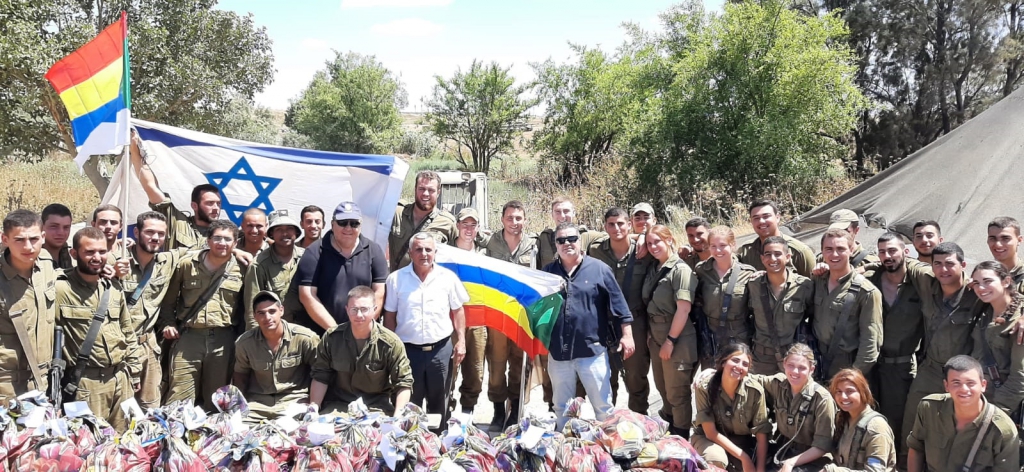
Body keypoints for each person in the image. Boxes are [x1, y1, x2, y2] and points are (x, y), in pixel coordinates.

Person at [543, 222, 634, 430]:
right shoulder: (548, 273)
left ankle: (610, 449)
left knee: (603, 406)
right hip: (559, 353)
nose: (567, 244)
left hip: (592, 351)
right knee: (561, 407)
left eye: (572, 239)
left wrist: (627, 335)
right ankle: (566, 450)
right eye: (561, 240)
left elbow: (619, 306)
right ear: (555, 244)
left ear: (580, 241)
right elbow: (538, 309)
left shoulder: (599, 269)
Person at [899, 242, 981, 460]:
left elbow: (1007, 294)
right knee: (912, 421)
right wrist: (863, 267)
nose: (943, 270)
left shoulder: (976, 293)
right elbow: (901, 259)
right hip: (930, 368)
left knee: (953, 427)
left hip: (961, 375)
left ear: (963, 265)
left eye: (949, 264)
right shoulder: (927, 281)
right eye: (938, 264)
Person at [55, 227, 140, 432]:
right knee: (91, 445)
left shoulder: (112, 287)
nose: (97, 257)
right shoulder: (60, 288)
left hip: (121, 379)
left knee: (126, 443)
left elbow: (127, 330)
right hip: (86, 384)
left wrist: (134, 371)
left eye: (102, 252)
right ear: (74, 254)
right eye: (89, 252)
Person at [158, 219, 245, 411]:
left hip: (223, 339)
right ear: (208, 240)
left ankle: (211, 439)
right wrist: (168, 323)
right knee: (179, 396)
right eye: (217, 238)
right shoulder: (187, 265)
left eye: (227, 239)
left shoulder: (242, 267)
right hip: (189, 337)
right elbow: (169, 300)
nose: (222, 243)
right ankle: (176, 435)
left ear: (235, 243)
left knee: (217, 399)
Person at [384, 233, 468, 415]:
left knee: (439, 406)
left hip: (440, 351)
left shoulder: (448, 277)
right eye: (419, 249)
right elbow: (389, 316)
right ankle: (410, 442)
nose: (424, 254)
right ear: (410, 253)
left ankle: (437, 440)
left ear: (435, 252)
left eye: (428, 249)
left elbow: (458, 311)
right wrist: (391, 348)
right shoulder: (396, 280)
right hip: (407, 352)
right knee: (408, 407)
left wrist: (461, 341)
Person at [588, 207, 655, 415]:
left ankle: (640, 423)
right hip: (603, 323)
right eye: (611, 224)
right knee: (606, 378)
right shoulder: (595, 250)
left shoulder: (645, 251)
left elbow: (667, 249)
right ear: (605, 226)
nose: (616, 228)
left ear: (628, 225)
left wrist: (644, 236)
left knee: (636, 377)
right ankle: (608, 426)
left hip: (635, 322)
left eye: (620, 223)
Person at [311, 286, 413, 416]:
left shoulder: (390, 343)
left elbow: (403, 382)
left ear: (375, 310)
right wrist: (314, 407)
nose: (359, 315)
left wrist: (398, 415)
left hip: (375, 408)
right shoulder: (332, 338)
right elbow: (321, 375)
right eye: (354, 309)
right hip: (338, 407)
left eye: (364, 309)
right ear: (347, 310)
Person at [288, 201, 387, 336]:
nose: (348, 228)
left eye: (354, 223)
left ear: (360, 225)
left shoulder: (374, 250)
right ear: (332, 224)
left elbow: (379, 293)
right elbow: (307, 295)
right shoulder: (314, 251)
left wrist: (361, 327)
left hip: (363, 335)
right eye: (343, 222)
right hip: (322, 335)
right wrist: (336, 331)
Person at [907, 355, 1020, 472]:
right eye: (956, 382)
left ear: (983, 385)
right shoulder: (929, 408)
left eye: (970, 383)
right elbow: (916, 447)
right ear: (946, 386)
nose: (964, 389)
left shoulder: (1003, 430)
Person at [866, 232, 923, 455]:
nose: (887, 256)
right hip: (871, 363)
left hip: (901, 366)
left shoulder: (919, 283)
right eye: (882, 252)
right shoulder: (870, 281)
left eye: (892, 251)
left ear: (905, 252)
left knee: (897, 420)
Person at [482, 200, 537, 429]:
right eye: (510, 217)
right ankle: (497, 411)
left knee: (519, 365)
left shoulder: (534, 244)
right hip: (497, 314)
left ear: (524, 219)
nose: (514, 222)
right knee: (496, 366)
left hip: (522, 316)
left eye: (518, 218)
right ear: (502, 219)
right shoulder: (489, 242)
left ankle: (514, 412)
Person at [119, 211, 179, 409]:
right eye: (150, 232)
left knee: (150, 407)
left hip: (149, 345)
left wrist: (237, 251)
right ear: (136, 232)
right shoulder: (119, 261)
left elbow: (204, 250)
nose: (155, 238)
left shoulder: (167, 262)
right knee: (123, 408)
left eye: (161, 234)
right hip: (121, 347)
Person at [642, 224, 697, 437]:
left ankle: (682, 437)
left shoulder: (680, 269)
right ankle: (671, 431)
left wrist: (670, 340)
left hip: (677, 337)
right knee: (663, 389)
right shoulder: (655, 267)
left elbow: (683, 309)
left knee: (677, 393)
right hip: (656, 334)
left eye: (658, 241)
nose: (654, 246)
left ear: (669, 240)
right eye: (649, 243)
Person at [0, 210, 58, 404]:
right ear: (5, 239)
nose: (28, 246)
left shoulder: (46, 264)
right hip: (7, 385)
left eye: (34, 239)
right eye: (19, 240)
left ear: (43, 237)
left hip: (45, 379)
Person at [233, 291, 318, 422]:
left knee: (297, 434)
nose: (267, 317)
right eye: (261, 313)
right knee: (234, 430)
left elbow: (320, 372)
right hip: (258, 404)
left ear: (281, 311)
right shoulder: (244, 343)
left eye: (272, 311)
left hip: (294, 401)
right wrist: (238, 408)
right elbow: (241, 375)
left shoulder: (305, 338)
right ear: (255, 316)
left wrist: (313, 402)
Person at [130, 133, 224, 252]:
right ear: (194, 206)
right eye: (210, 203)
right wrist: (134, 150)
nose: (216, 208)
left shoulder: (225, 234)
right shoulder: (178, 223)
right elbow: (151, 187)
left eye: (218, 203)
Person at [812, 229, 882, 380]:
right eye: (829, 249)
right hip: (816, 359)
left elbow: (870, 344)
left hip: (846, 364)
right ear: (822, 252)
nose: (834, 254)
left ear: (851, 250)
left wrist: (853, 376)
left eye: (840, 249)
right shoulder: (817, 280)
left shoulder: (867, 292)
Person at [753, 343, 835, 472]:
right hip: (783, 449)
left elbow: (822, 446)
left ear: (811, 369)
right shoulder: (778, 384)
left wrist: (791, 463)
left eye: (802, 368)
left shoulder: (821, 399)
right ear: (784, 363)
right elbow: (750, 379)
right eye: (791, 365)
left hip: (811, 458)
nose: (795, 372)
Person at [691, 343, 771, 472]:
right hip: (708, 439)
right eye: (735, 360)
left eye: (745, 364)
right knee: (716, 460)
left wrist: (760, 470)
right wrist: (744, 458)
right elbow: (710, 433)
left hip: (740, 442)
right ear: (723, 363)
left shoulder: (755, 391)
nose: (739, 366)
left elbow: (761, 433)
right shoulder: (705, 387)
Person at [746, 236, 815, 375]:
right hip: (762, 359)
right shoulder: (753, 285)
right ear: (762, 258)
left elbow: (814, 317)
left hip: (793, 358)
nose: (772, 259)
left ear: (788, 257)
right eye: (768, 254)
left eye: (778, 254)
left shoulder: (804, 286)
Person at [694, 226, 758, 362]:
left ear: (733, 245)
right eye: (713, 246)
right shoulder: (702, 270)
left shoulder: (748, 273)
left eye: (722, 245)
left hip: (739, 337)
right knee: (711, 379)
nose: (718, 251)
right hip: (710, 338)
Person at [969, 261, 1024, 417]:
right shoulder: (984, 312)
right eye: (976, 283)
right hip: (980, 399)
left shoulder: (1018, 321)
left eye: (988, 281)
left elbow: (1019, 378)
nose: (981, 288)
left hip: (1005, 407)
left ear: (1006, 281)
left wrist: (995, 413)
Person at [450, 207, 488, 418]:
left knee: (475, 371)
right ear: (457, 226)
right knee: (449, 368)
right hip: (450, 320)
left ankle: (467, 411)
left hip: (477, 319)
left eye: (473, 225)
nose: (468, 229)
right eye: (465, 224)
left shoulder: (484, 255)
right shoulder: (443, 253)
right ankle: (446, 408)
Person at [825, 368, 896, 472]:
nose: (843, 397)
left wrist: (832, 470)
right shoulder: (843, 419)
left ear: (863, 392)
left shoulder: (876, 427)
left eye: (850, 391)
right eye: (838, 392)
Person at [243, 211, 304, 329]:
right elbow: (252, 310)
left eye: (290, 228)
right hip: (274, 332)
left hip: (306, 332)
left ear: (296, 232)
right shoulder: (259, 264)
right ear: (271, 234)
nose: (285, 233)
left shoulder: (308, 258)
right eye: (279, 229)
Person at [388, 171, 458, 271]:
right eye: (421, 189)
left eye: (431, 190)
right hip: (398, 284)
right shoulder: (396, 213)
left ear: (438, 192)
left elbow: (460, 254)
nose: (425, 194)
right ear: (415, 189)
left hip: (430, 284)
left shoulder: (448, 223)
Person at [737, 199, 815, 277]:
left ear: (777, 217)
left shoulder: (799, 251)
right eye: (756, 218)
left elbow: (813, 284)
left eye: (766, 216)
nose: (761, 221)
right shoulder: (745, 252)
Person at [536, 197, 603, 267]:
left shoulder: (587, 236)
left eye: (566, 211)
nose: (562, 216)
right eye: (557, 212)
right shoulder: (543, 239)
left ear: (573, 213)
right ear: (552, 215)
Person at [986, 217, 1024, 290]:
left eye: (1005, 238)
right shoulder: (982, 276)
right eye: (993, 238)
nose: (998, 244)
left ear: (1019, 240)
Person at [41, 203, 74, 270]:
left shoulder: (73, 257)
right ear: (41, 226)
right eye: (54, 226)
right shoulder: (31, 258)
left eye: (66, 227)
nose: (61, 233)